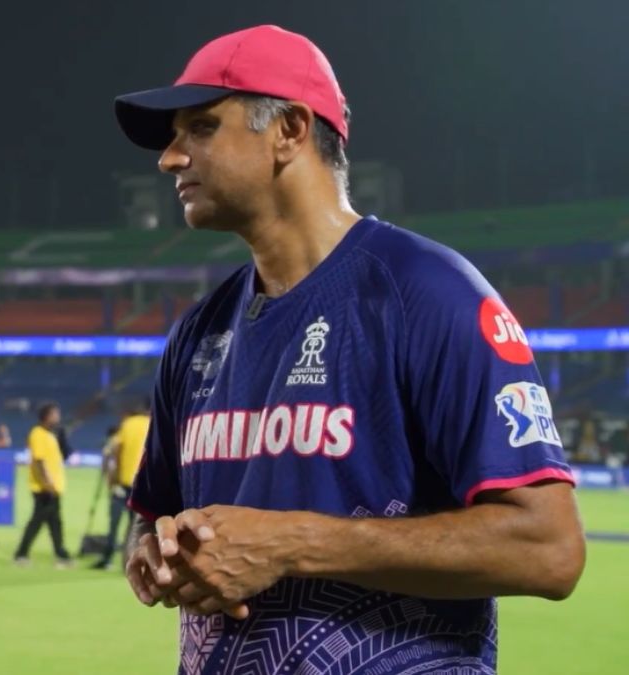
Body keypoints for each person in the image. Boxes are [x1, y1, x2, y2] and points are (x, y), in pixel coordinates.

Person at [113, 24, 584, 674]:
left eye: (201, 127)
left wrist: (292, 543)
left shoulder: (426, 293)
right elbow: (152, 515)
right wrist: (155, 551)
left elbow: (549, 549)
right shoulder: (199, 333)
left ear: (289, 130)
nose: (169, 158)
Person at [13, 403, 73, 568]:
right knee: (38, 521)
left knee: (54, 522)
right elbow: (39, 461)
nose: (58, 418)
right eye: (55, 414)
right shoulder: (37, 434)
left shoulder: (49, 434)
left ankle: (60, 554)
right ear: (47, 416)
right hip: (44, 488)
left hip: (52, 487)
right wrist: (47, 483)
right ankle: (21, 554)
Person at [92, 400, 150, 570]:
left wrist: (114, 478)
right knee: (136, 527)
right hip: (142, 485)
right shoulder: (153, 424)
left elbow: (114, 450)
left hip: (123, 483)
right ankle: (133, 563)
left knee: (114, 523)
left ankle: (107, 559)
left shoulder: (128, 424)